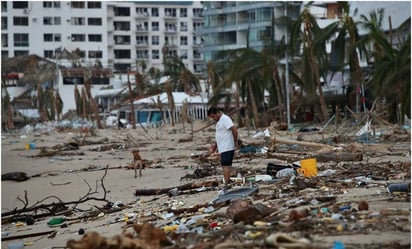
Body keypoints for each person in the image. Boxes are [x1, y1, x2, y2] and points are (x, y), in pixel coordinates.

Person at [207, 107, 238, 186]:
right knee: (225, 165)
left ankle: (227, 183)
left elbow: (234, 129)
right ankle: (228, 180)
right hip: (223, 147)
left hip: (227, 146)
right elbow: (220, 135)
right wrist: (215, 147)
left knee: (225, 165)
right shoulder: (219, 121)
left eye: (213, 116)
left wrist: (235, 141)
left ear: (218, 113)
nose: (213, 119)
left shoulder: (225, 119)